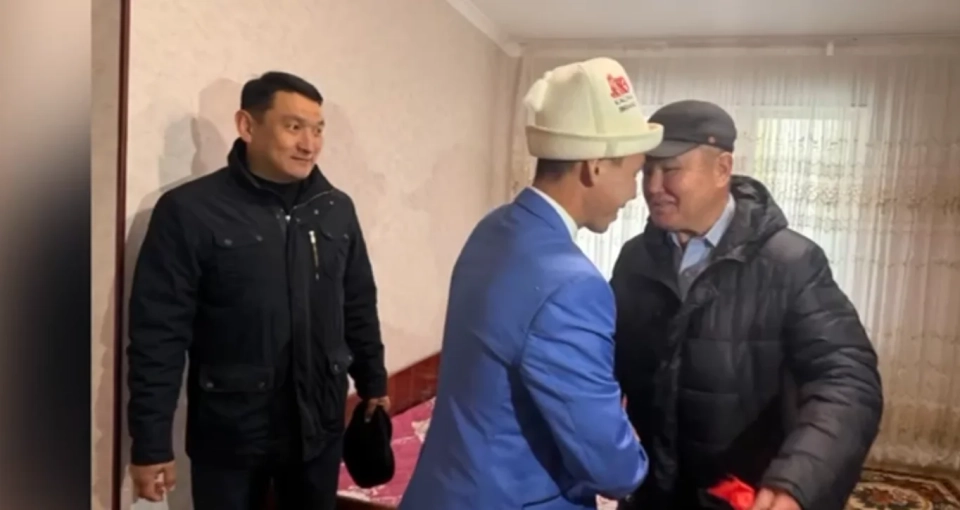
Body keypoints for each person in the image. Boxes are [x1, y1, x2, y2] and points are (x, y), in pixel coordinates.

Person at [398, 57, 664, 510]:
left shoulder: (492, 229)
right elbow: (611, 469)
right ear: (595, 167)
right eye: (634, 174)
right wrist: (635, 455)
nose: (634, 194)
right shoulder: (574, 286)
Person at [126, 71, 390, 510]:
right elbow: (158, 335)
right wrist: (151, 443)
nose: (309, 144)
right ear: (247, 125)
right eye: (294, 127)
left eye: (318, 129)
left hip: (318, 428)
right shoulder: (190, 211)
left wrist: (373, 381)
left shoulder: (335, 209)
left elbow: (358, 301)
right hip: (230, 437)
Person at [610, 100, 884, 510]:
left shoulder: (790, 263)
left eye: (670, 169)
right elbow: (608, 361)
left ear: (722, 169)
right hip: (650, 492)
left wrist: (796, 479)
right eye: (647, 170)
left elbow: (847, 380)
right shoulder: (635, 259)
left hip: (743, 496)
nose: (652, 186)